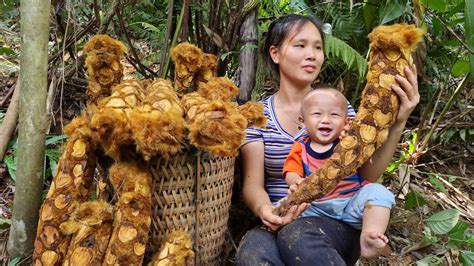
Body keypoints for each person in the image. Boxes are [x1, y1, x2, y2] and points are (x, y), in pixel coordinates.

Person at [236, 14, 419, 265]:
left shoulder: (341, 112)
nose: (312, 54)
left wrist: (398, 122)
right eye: (300, 45)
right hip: (280, 212)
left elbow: (368, 175)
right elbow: (253, 184)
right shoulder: (257, 116)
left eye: (318, 47)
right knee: (254, 252)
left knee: (299, 236)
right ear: (275, 54)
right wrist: (264, 211)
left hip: (336, 220)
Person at [283, 86, 394, 258]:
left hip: (351, 204)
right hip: (316, 207)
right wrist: (296, 182)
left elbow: (365, 157)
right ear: (302, 121)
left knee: (380, 193)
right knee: (282, 205)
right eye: (317, 114)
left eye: (334, 115)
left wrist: (352, 138)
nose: (326, 120)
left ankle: (369, 236)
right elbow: (291, 170)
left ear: (346, 122)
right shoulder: (301, 147)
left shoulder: (347, 144)